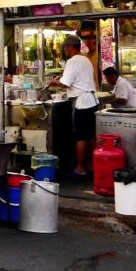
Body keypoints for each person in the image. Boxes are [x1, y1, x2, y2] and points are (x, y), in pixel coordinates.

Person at [48, 35, 99, 177]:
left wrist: (54, 82)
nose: (64, 50)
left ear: (70, 47)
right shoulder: (86, 60)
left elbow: (65, 83)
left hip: (81, 104)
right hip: (92, 101)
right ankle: (91, 166)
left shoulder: (72, 61)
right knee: (90, 137)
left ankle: (80, 168)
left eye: (65, 47)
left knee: (81, 137)